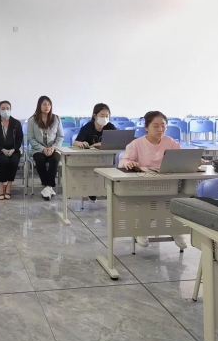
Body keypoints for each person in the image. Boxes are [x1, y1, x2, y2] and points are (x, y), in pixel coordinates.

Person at [118, 111, 188, 250]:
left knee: (178, 200)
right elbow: (124, 160)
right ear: (146, 127)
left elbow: (182, 157)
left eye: (163, 126)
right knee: (147, 203)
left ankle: (176, 229)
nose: (160, 129)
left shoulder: (170, 142)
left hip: (167, 184)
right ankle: (142, 228)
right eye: (156, 126)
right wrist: (129, 163)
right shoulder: (136, 144)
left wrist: (195, 160)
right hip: (143, 185)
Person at [74, 103, 116, 202]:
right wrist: (81, 143)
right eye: (102, 116)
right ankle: (91, 191)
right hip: (90, 158)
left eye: (107, 116)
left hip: (107, 158)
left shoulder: (110, 127)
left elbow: (116, 141)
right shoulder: (88, 127)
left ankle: (107, 190)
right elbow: (75, 142)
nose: (105, 118)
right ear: (95, 116)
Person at [27, 96, 64, 200]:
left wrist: (53, 147)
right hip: (38, 149)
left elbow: (60, 136)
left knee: (54, 159)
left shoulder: (56, 118)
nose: (47, 106)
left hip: (54, 148)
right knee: (40, 159)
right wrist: (42, 149)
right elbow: (31, 138)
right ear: (39, 105)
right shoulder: (32, 120)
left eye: (49, 104)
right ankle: (48, 186)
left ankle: (47, 187)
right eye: (44, 104)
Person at [0, 100, 24, 200]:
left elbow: (19, 139)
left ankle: (9, 186)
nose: (5, 110)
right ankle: (1, 185)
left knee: (13, 161)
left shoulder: (16, 123)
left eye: (8, 108)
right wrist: (3, 150)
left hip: (13, 150)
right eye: (3, 109)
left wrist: (13, 149)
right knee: (4, 161)